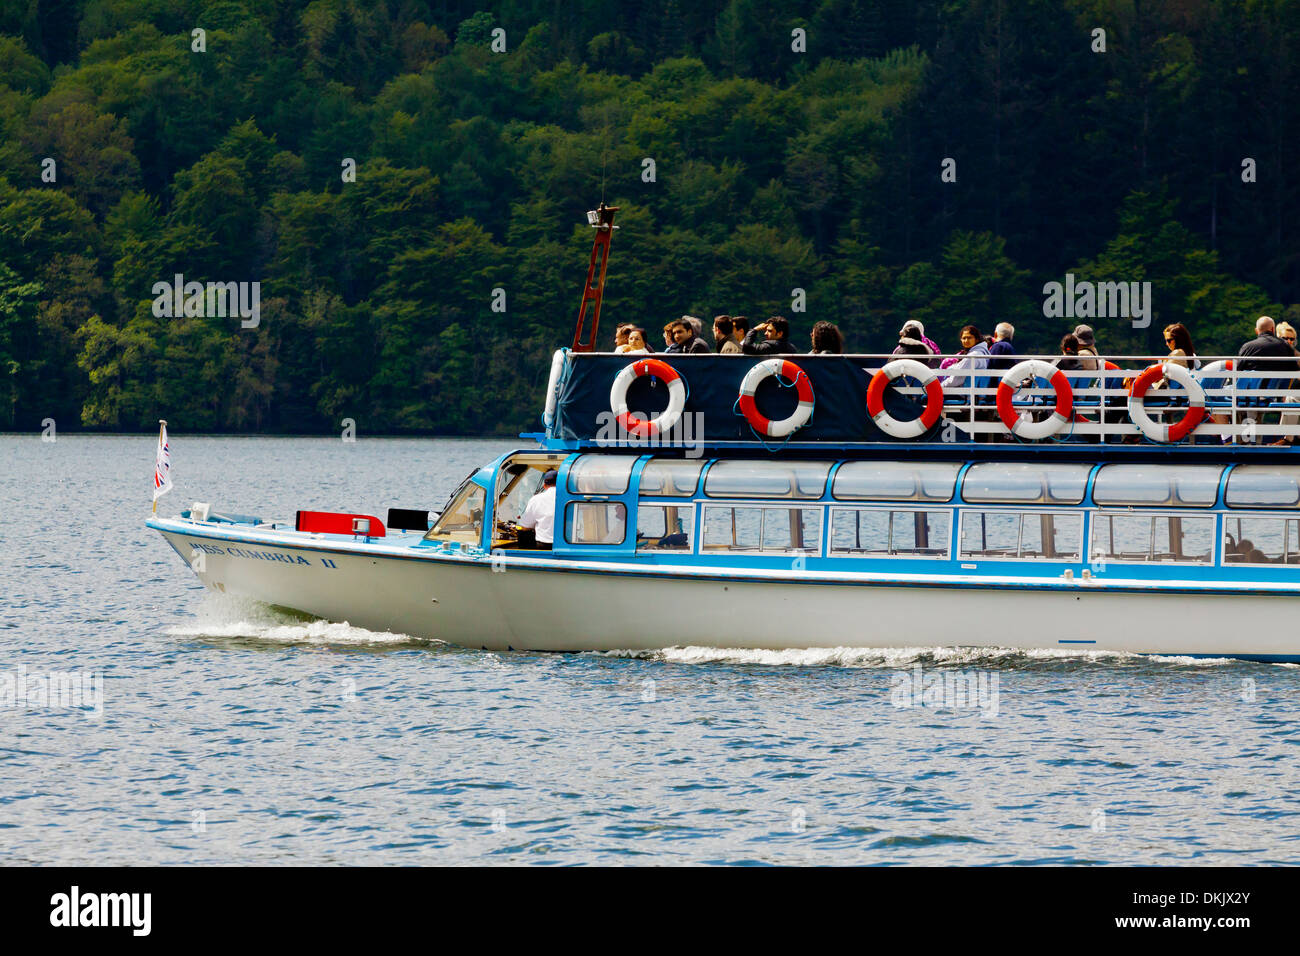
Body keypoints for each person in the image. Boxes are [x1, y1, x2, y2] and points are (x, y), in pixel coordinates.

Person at [940, 325, 991, 389]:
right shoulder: (982, 353)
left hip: (961, 393)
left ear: (977, 339)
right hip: (971, 392)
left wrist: (939, 386)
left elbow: (956, 378)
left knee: (925, 397)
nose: (966, 341)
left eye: (969, 338)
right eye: (964, 338)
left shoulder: (972, 356)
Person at [516, 469, 556, 548]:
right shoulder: (571, 498)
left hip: (544, 546)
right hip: (568, 546)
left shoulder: (536, 499)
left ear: (544, 485)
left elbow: (525, 526)